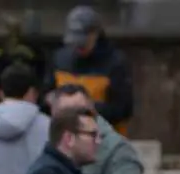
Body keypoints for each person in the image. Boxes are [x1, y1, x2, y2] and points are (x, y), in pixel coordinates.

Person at [40, 6, 134, 135]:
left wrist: (87, 107)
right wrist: (50, 100)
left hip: (104, 140)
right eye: (75, 43)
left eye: (83, 43)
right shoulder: (59, 59)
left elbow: (123, 110)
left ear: (95, 34)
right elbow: (44, 97)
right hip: (66, 140)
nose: (78, 48)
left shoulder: (115, 63)